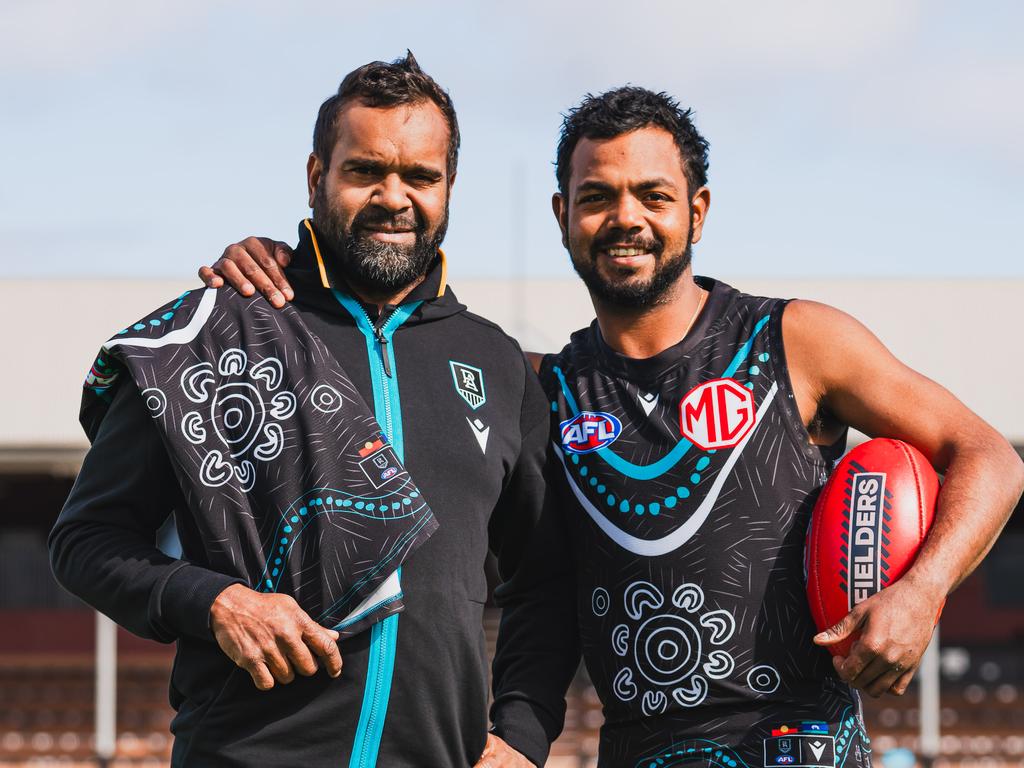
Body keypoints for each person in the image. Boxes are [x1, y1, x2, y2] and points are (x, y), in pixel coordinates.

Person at [212, 86, 1024, 768]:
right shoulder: (540, 388)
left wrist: (923, 592)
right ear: (564, 214)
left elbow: (987, 456)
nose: (624, 217)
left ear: (696, 211)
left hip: (799, 746)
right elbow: (399, 342)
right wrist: (288, 265)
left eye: (653, 195)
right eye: (597, 196)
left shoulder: (797, 341)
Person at [50, 52, 549, 768]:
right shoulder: (222, 331)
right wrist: (217, 602)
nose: (393, 197)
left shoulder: (498, 362)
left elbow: (544, 578)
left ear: (449, 188)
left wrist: (523, 735)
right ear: (318, 176)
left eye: (420, 176)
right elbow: (85, 540)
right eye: (364, 171)